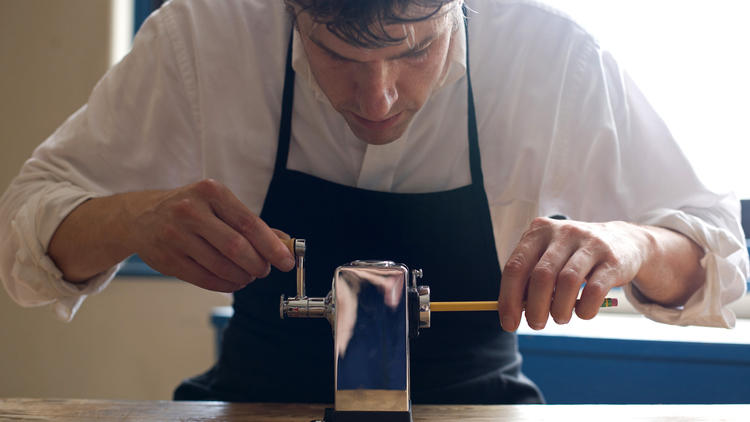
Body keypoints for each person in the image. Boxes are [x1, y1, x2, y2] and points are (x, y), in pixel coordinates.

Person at [0, 0, 747, 404]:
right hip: (256, 405)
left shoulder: (551, 53)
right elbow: (24, 224)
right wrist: (129, 219)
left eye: (416, 51)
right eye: (337, 55)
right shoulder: (205, 35)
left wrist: (635, 246)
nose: (379, 98)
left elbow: (721, 257)